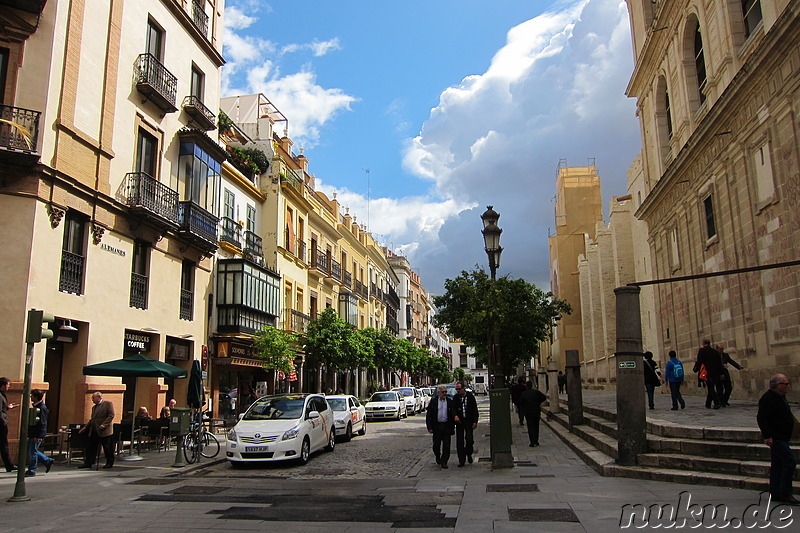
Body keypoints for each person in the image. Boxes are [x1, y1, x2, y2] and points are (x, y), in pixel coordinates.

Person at [756, 374, 799, 505]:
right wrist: (767, 436)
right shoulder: (768, 398)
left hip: (782, 436)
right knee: (789, 461)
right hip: (776, 437)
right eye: (785, 384)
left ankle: (775, 492)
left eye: (788, 383)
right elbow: (761, 418)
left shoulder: (780, 397)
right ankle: (785, 492)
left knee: (778, 464)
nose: (788, 386)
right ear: (777, 385)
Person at [79, 391, 115, 469]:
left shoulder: (107, 404)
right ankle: (89, 462)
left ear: (99, 397)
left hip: (104, 431)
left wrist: (104, 424)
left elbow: (111, 415)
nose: (92, 399)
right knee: (91, 447)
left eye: (93, 398)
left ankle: (109, 462)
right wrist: (86, 426)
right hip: (95, 430)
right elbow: (93, 419)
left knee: (107, 447)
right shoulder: (94, 407)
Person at [25, 389, 54, 477]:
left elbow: (42, 423)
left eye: (32, 396)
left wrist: (39, 436)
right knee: (30, 450)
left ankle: (32, 470)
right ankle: (47, 460)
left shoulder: (41, 408)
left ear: (36, 397)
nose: (31, 397)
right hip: (33, 433)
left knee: (32, 452)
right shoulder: (36, 407)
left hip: (36, 434)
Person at [425, 385, 455, 468]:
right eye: (443, 392)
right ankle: (438, 456)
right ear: (438, 393)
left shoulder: (449, 401)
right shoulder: (434, 402)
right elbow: (429, 415)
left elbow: (452, 414)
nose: (445, 393)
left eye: (446, 392)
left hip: (446, 426)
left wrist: (453, 426)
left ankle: (444, 461)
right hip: (437, 426)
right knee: (436, 445)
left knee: (447, 445)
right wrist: (429, 427)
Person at [453, 380, 478, 467]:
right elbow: (453, 409)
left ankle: (469, 453)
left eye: (459, 389)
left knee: (469, 439)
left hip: (469, 421)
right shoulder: (456, 398)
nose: (458, 391)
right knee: (459, 441)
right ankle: (461, 460)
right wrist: (455, 415)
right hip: (460, 422)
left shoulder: (470, 397)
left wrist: (475, 421)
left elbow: (475, 409)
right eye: (457, 389)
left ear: (463, 388)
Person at [693, 339, 724, 409]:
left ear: (703, 344)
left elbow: (699, 361)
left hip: (707, 372)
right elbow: (719, 364)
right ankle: (708, 403)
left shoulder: (702, 351)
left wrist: (696, 369)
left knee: (710, 388)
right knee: (711, 387)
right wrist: (721, 373)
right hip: (715, 372)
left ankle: (716, 402)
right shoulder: (715, 352)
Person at [519, 381, 548, 447]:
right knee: (536, 426)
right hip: (536, 411)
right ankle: (536, 441)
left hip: (528, 412)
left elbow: (521, 403)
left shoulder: (523, 394)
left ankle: (532, 441)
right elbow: (544, 397)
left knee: (530, 426)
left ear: (526, 386)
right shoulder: (536, 392)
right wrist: (538, 402)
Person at [1, 377, 18, 472]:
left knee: (4, 445)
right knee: (4, 445)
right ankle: (9, 465)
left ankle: (9, 464)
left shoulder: (2, 395)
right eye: (7, 385)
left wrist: (7, 407)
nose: (8, 387)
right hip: (1, 424)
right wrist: (3, 422)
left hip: (2, 422)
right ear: (3, 386)